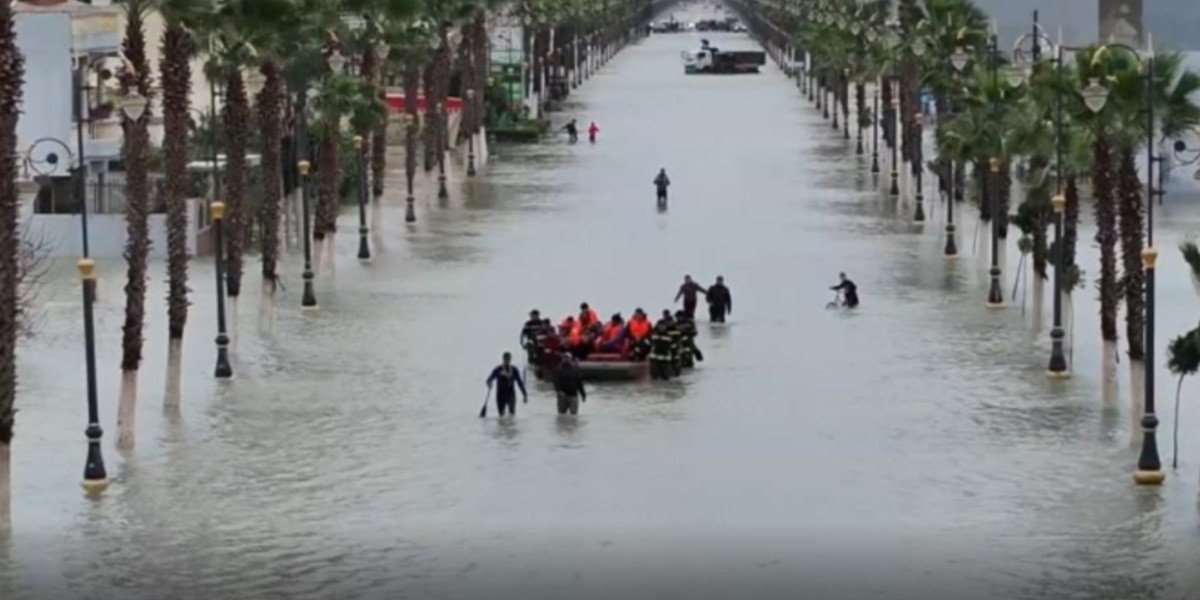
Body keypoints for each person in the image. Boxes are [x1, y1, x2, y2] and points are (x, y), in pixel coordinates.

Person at [486, 352, 528, 416]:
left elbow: (520, 383)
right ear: (503, 359)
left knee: (512, 414)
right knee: (501, 416)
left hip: (511, 394)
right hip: (500, 395)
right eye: (506, 360)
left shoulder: (514, 370)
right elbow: (489, 379)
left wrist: (524, 394)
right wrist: (489, 383)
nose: (507, 361)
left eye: (508, 360)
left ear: (510, 359)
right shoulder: (498, 369)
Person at [648, 313, 676, 380]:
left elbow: (673, 347)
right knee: (654, 377)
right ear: (657, 326)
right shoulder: (653, 334)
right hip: (654, 359)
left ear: (666, 327)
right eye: (660, 326)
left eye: (663, 326)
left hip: (665, 360)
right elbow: (649, 345)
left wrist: (674, 360)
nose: (661, 327)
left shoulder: (669, 336)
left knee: (665, 378)